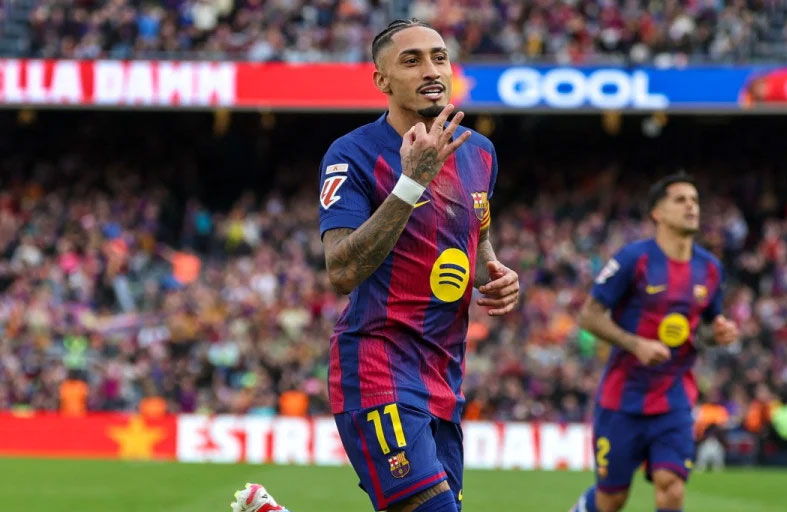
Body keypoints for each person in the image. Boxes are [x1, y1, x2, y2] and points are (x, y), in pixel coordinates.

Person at [231, 18, 519, 512]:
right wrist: (411, 183)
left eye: (439, 57)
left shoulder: (480, 152)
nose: (431, 70)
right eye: (412, 60)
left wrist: (494, 271)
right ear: (382, 80)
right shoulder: (353, 154)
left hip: (444, 374)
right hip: (378, 364)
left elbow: (479, 235)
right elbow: (341, 270)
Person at [569, 173, 739, 512]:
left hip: (675, 398)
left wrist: (717, 333)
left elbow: (705, 329)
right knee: (611, 499)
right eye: (680, 199)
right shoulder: (634, 259)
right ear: (657, 213)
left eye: (695, 200)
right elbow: (589, 316)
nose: (691, 206)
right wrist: (636, 345)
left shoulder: (710, 269)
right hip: (622, 400)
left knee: (671, 486)